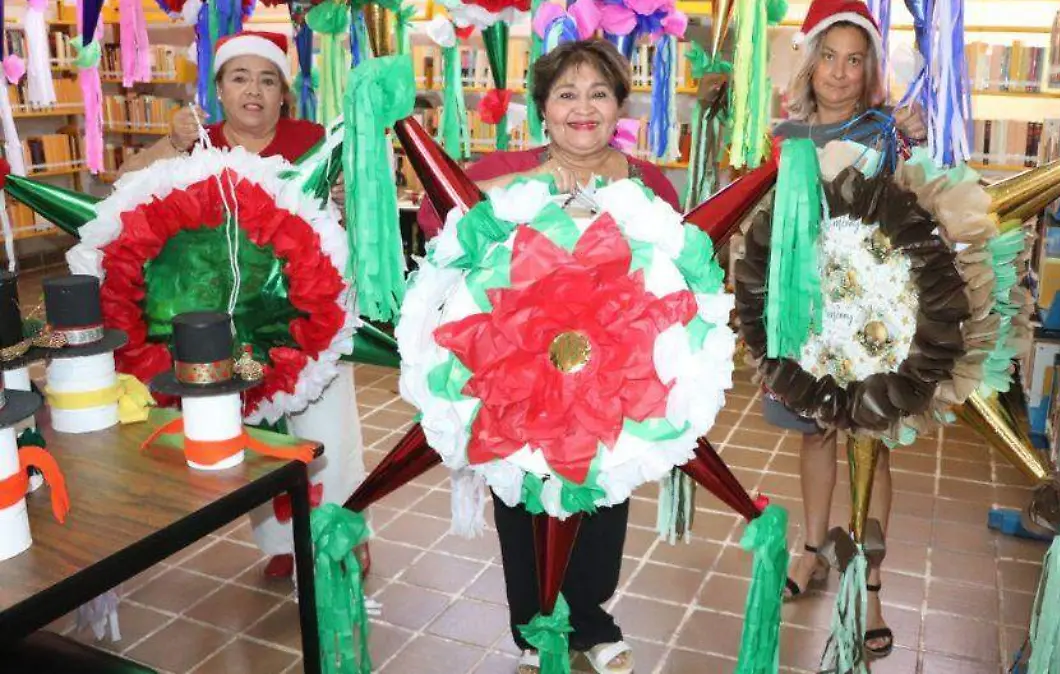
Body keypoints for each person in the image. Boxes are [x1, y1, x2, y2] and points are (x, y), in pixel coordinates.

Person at [416, 38, 679, 674]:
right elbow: (432, 214)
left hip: (610, 374)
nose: (582, 108)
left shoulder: (649, 180)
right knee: (524, 499)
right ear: (544, 109)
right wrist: (525, 182)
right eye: (566, 94)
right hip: (522, 372)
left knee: (602, 493)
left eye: (598, 93)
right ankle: (534, 631)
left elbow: (680, 266)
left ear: (619, 105)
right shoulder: (513, 163)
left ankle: (591, 618)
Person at [116, 30, 364, 579]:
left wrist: (347, 195)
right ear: (220, 90)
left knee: (328, 427)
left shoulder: (311, 139)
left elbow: (362, 200)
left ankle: (344, 534)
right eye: (240, 77)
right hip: (233, 322)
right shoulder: (198, 142)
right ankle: (283, 541)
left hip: (310, 317)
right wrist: (170, 145)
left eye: (268, 79)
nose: (254, 90)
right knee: (256, 429)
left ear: (283, 93)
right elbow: (123, 184)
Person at [743, 0, 927, 661]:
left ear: (871, 67)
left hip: (874, 318)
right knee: (815, 431)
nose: (841, 73)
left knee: (870, 442)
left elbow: (920, 201)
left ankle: (868, 578)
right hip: (806, 312)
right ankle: (815, 547)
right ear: (809, 59)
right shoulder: (784, 135)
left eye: (856, 60)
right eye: (830, 56)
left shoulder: (890, 131)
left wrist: (916, 134)